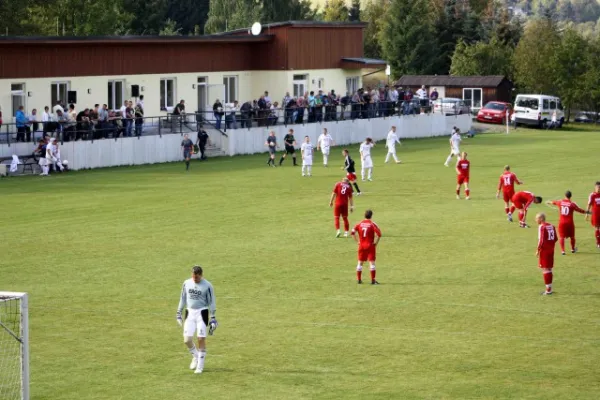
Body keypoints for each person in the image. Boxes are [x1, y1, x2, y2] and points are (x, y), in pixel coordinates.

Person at [176, 265, 217, 374]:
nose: (195, 279)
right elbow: (183, 298)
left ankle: (200, 366)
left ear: (201, 275)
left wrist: (213, 317)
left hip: (202, 312)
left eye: (197, 278)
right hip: (189, 312)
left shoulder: (207, 286)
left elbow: (211, 302)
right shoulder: (186, 283)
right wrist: (179, 312)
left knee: (200, 338)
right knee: (187, 340)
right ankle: (196, 356)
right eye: (194, 277)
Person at [546, 191, 588, 255]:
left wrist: (549, 202)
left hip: (562, 222)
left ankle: (563, 251)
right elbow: (579, 210)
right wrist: (587, 212)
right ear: (571, 196)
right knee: (572, 236)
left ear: (565, 195)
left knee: (562, 237)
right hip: (570, 223)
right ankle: (572, 249)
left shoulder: (560, 202)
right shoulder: (572, 204)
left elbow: (554, 202)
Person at [351, 209, 382, 285]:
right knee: (372, 263)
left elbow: (352, 232)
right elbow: (379, 234)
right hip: (370, 245)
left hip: (361, 245)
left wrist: (357, 242)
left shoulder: (359, 224)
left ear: (364, 215)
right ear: (371, 216)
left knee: (360, 262)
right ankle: (373, 280)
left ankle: (359, 280)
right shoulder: (372, 224)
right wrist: (375, 243)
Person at [535, 213, 557, 295]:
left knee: (545, 269)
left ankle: (548, 290)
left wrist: (538, 250)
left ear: (541, 219)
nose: (535, 220)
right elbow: (555, 238)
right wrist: (550, 246)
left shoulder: (542, 227)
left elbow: (541, 240)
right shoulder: (552, 226)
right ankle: (549, 288)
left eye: (536, 218)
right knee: (549, 268)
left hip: (545, 250)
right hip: (551, 250)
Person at [585, 181, 600, 249]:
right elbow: (589, 204)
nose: (599, 189)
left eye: (599, 187)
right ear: (595, 187)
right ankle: (598, 243)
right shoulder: (592, 195)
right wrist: (587, 214)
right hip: (596, 215)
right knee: (597, 228)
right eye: (598, 187)